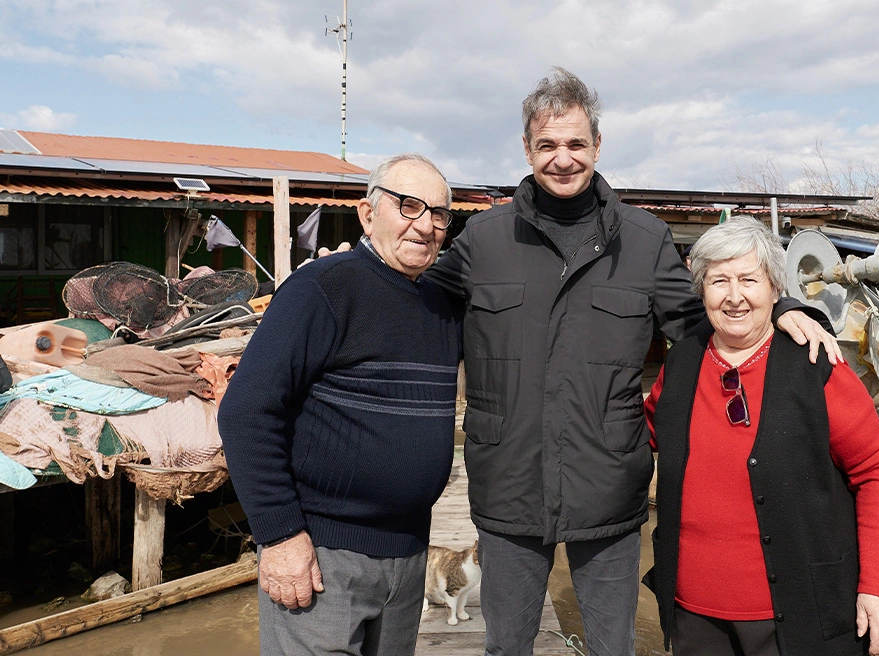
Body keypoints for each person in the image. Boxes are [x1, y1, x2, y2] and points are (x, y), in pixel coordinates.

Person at [422, 67, 841, 656]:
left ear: (598, 145)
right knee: (506, 646)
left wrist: (784, 307)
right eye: (547, 145)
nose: (562, 159)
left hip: (609, 486)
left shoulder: (643, 240)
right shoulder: (483, 239)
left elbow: (707, 319)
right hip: (507, 486)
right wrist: (350, 272)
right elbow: (413, 305)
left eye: (575, 144)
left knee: (613, 647)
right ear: (526, 149)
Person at [219, 153, 461, 656]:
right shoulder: (321, 289)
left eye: (438, 214)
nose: (425, 225)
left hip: (408, 553)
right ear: (367, 214)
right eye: (409, 205)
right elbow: (246, 413)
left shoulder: (440, 305)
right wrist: (281, 536)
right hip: (323, 555)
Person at [642, 217, 879, 656]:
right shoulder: (682, 362)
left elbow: (876, 472)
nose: (734, 296)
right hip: (695, 616)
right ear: (701, 289)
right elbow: (643, 434)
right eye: (718, 281)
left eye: (749, 279)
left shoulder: (815, 363)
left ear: (774, 289)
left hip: (800, 615)